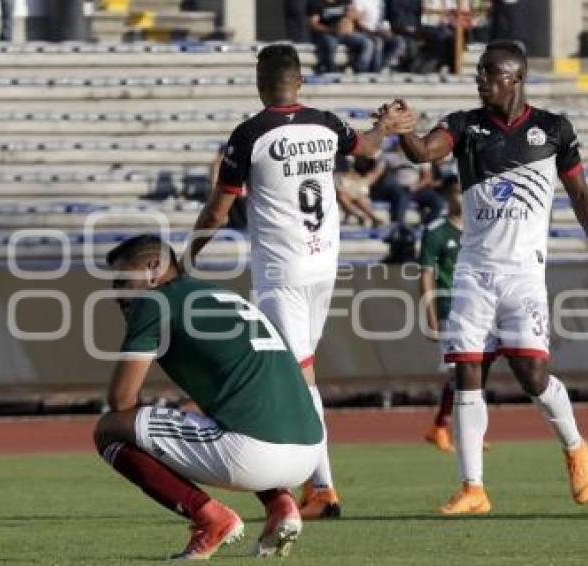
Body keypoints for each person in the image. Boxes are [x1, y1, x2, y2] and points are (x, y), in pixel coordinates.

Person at [382, 39, 588, 514]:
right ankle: (474, 488)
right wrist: (404, 131)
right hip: (474, 274)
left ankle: (575, 446)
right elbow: (424, 152)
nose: (480, 78)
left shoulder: (553, 129)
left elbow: (579, 193)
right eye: (480, 71)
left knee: (532, 375)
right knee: (467, 373)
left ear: (515, 77)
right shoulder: (465, 125)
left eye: (490, 72)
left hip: (523, 276)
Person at [184, 44, 397, 520]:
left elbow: (219, 209)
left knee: (298, 380)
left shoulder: (249, 135)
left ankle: (321, 488)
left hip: (283, 273)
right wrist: (385, 125)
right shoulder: (324, 122)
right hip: (325, 267)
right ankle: (315, 486)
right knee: (303, 373)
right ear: (299, 81)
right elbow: (366, 146)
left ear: (260, 83)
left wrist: (188, 254)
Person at [94, 234, 324, 559]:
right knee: (209, 415)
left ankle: (210, 519)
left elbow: (121, 401)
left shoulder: (155, 301)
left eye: (121, 280)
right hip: (310, 452)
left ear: (153, 267)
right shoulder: (220, 294)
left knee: (109, 429)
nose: (115, 293)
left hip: (255, 453)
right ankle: (280, 505)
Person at [418, 176, 462, 452]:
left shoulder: (480, 228)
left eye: (464, 191)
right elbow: (425, 276)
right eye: (456, 192)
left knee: (475, 372)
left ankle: (464, 430)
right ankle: (441, 426)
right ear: (447, 196)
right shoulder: (437, 231)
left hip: (478, 308)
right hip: (450, 307)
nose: (461, 198)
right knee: (458, 370)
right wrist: (431, 314)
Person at [307, 0, 376, 73]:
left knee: (367, 42)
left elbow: (355, 15)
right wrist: (332, 30)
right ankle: (329, 69)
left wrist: (349, 20)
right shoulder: (316, 3)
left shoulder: (345, 1)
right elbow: (313, 24)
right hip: (327, 33)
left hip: (346, 34)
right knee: (330, 44)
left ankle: (360, 69)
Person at [336, 155, 385, 227]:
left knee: (358, 196)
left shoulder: (350, 161)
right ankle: (365, 216)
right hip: (342, 187)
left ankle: (369, 217)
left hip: (350, 186)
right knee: (343, 195)